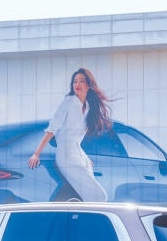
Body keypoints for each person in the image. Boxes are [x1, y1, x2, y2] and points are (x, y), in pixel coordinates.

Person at [28, 67, 112, 202]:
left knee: (87, 197)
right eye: (75, 81)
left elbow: (76, 138)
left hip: (79, 154)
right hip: (66, 155)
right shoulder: (68, 102)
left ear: (89, 85)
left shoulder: (89, 107)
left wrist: (84, 156)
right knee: (100, 196)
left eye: (82, 81)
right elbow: (52, 130)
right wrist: (36, 154)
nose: (77, 84)